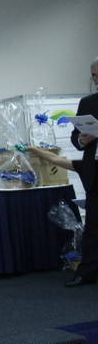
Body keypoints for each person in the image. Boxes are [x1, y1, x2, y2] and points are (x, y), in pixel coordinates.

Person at [65, 56, 98, 287]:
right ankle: (87, 272)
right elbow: (75, 137)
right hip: (94, 169)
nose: (96, 80)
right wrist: (81, 140)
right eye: (94, 76)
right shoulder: (87, 102)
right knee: (93, 225)